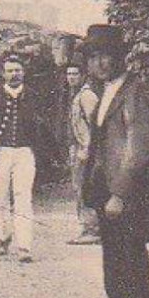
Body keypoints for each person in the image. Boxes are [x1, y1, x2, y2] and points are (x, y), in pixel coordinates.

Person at [80, 24, 149, 298]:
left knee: (132, 276)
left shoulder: (132, 93)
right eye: (93, 56)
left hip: (125, 201)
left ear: (119, 58)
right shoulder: (107, 92)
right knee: (116, 277)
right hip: (108, 199)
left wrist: (120, 193)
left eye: (105, 56)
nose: (99, 63)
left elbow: (138, 150)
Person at [0, 55, 55, 263]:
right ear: (3, 74)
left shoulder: (35, 97)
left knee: (23, 197)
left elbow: (45, 127)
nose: (14, 74)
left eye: (17, 70)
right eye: (10, 71)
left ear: (24, 73)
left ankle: (24, 246)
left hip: (25, 153)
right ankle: (4, 235)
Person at [65, 62, 101, 244]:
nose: (71, 77)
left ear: (82, 76)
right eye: (68, 74)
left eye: (74, 74)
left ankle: (92, 228)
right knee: (78, 187)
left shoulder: (87, 96)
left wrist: (88, 149)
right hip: (78, 147)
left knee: (85, 186)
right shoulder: (77, 95)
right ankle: (88, 226)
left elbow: (96, 125)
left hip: (86, 150)